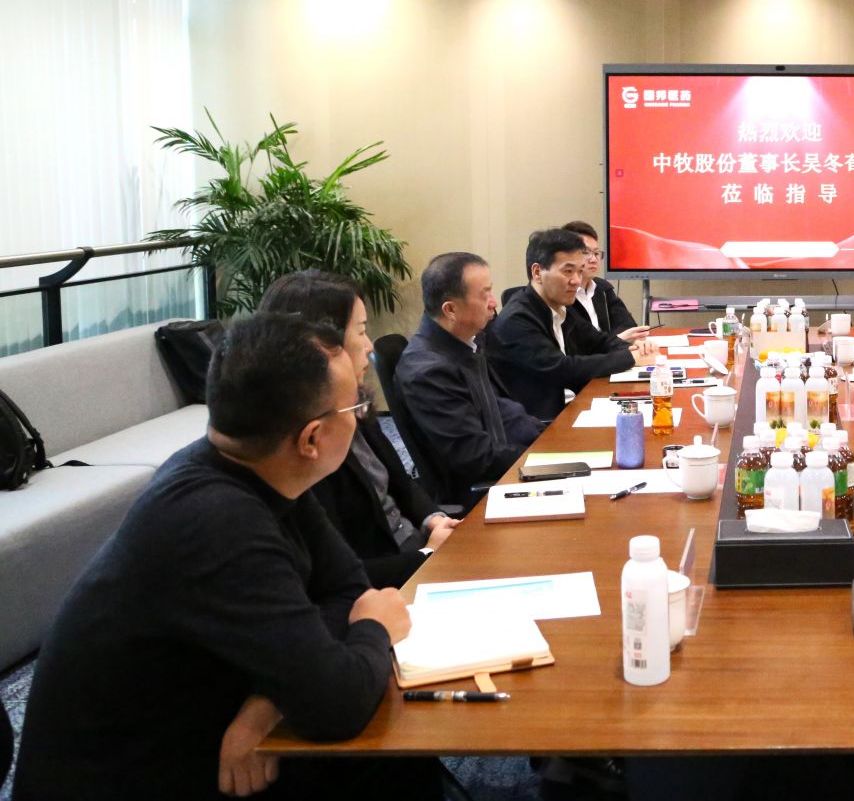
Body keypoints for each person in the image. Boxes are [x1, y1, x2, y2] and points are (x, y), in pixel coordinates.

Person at [12, 314, 435, 800]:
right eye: (356, 405)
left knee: (393, 749)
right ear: (311, 439)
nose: (362, 416)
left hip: (202, 723)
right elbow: (338, 702)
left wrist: (268, 701)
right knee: (386, 748)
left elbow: (347, 587)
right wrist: (375, 627)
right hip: (129, 776)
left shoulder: (263, 468)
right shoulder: (217, 521)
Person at [259, 270, 457, 586]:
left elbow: (401, 483)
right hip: (395, 580)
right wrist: (427, 556)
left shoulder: (353, 401)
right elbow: (332, 576)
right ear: (321, 345)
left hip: (418, 550)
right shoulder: (305, 443)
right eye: (361, 331)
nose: (369, 346)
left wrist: (433, 519)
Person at [396, 252, 544, 505]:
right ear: (450, 309)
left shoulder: (463, 344)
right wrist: (543, 456)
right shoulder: (428, 371)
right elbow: (476, 458)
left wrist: (544, 436)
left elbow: (497, 410)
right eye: (484, 295)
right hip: (484, 495)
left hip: (504, 469)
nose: (493, 303)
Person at [488, 228, 654, 421]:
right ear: (537, 272)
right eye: (568, 271)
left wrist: (635, 348)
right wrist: (629, 358)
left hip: (574, 407)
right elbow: (562, 369)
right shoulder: (517, 319)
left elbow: (598, 341)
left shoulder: (561, 307)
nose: (576, 281)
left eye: (580, 271)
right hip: (544, 423)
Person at [560, 219, 643, 337]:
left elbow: (627, 324)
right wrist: (617, 340)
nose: (594, 259)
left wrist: (633, 339)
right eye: (586, 252)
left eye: (596, 253)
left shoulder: (603, 288)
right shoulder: (561, 294)